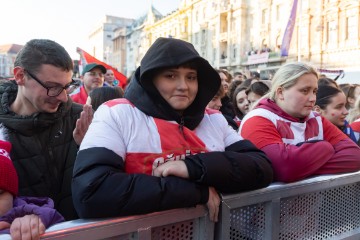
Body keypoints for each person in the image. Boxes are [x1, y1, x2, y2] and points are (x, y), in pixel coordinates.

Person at [72, 37, 273, 221]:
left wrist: (194, 167)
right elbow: (91, 192)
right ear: (150, 79)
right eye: (170, 76)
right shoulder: (116, 113)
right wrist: (195, 192)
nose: (183, 86)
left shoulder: (214, 119)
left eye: (191, 77)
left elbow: (260, 167)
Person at [0, 39, 89, 220]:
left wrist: (88, 150)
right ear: (20, 76)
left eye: (67, 87)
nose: (64, 97)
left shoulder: (82, 119)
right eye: (52, 87)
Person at [239, 62, 360, 183]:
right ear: (280, 92)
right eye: (305, 91)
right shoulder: (257, 120)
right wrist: (325, 147)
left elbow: (355, 156)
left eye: (314, 91)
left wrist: (302, 167)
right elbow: (285, 168)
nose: (313, 98)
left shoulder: (316, 118)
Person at [0, 126, 64, 239]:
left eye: (0, 193)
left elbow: (54, 220)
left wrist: (34, 223)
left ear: (13, 194)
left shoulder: (25, 212)